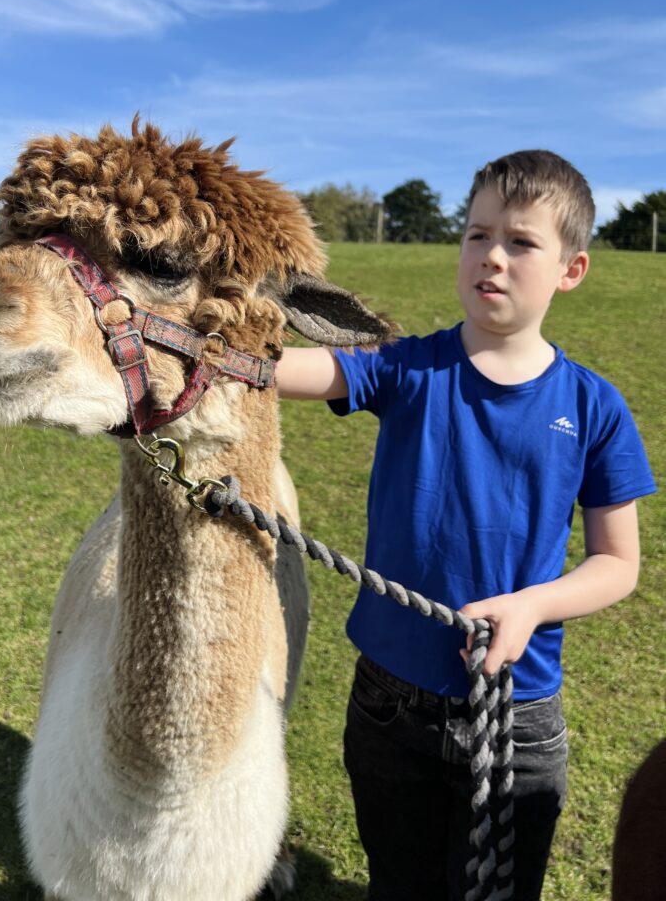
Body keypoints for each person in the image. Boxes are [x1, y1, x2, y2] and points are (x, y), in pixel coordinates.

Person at [275, 150, 656, 901]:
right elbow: (300, 369)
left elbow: (619, 564)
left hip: (516, 715)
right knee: (400, 884)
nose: (491, 257)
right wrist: (202, 356)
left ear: (570, 270)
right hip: (387, 705)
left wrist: (532, 606)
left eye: (521, 242)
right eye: (477, 235)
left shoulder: (594, 408)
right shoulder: (409, 368)